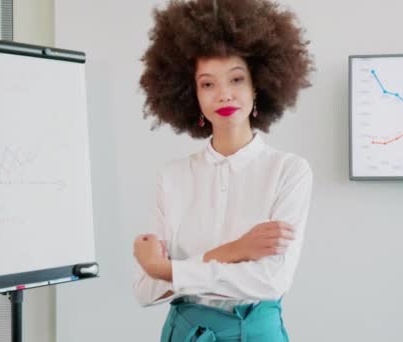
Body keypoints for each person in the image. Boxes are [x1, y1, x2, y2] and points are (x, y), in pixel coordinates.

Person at [133, 0, 314, 340]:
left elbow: (271, 280)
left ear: (257, 85)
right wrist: (234, 251)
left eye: (236, 79)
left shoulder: (289, 171)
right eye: (207, 84)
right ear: (191, 94)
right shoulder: (172, 177)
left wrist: (169, 271)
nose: (224, 94)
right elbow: (145, 289)